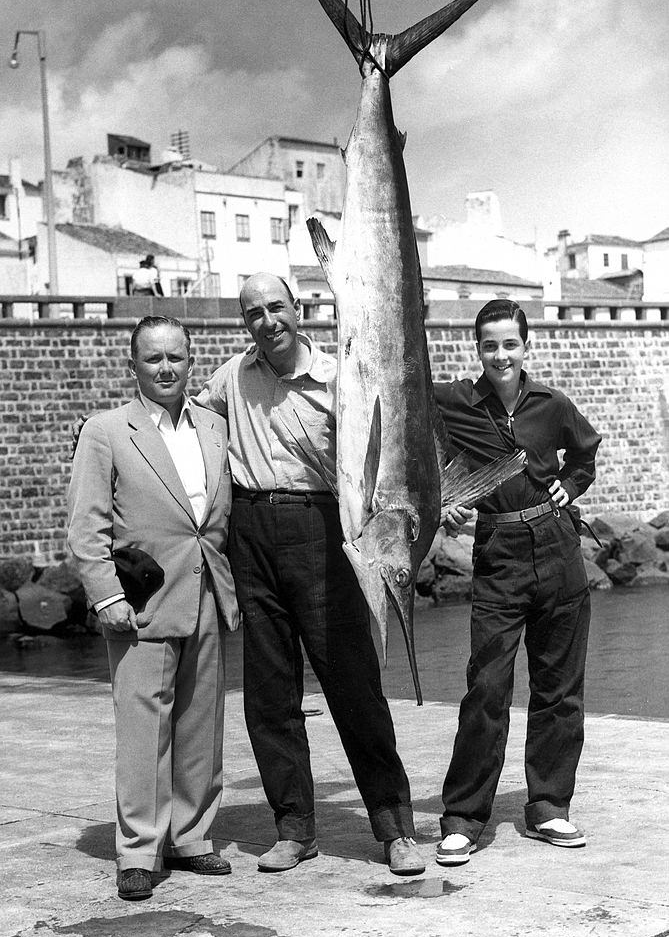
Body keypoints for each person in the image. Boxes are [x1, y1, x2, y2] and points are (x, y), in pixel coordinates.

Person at [195, 272, 425, 876]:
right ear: (242, 322)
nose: (266, 322)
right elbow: (185, 426)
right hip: (251, 532)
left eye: (276, 308)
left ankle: (394, 828)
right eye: (252, 314)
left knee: (354, 687)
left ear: (298, 309)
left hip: (322, 531)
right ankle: (294, 828)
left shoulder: (336, 381)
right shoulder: (230, 377)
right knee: (270, 696)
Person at [68, 315, 238, 900]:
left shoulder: (214, 428)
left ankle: (190, 836)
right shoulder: (106, 431)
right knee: (143, 729)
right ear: (133, 365)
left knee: (200, 722)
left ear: (192, 360)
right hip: (140, 600)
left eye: (176, 357)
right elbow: (86, 525)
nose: (166, 369)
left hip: (207, 593)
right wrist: (105, 595)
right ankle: (139, 848)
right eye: (153, 359)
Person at [432, 298, 602, 866]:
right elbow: (413, 432)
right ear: (476, 350)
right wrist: (443, 499)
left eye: (510, 343)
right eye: (489, 344)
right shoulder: (455, 401)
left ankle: (549, 805)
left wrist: (571, 486)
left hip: (557, 549)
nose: (500, 354)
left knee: (559, 688)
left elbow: (585, 451)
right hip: (498, 553)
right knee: (487, 687)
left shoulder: (551, 405)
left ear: (525, 347)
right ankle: (462, 816)